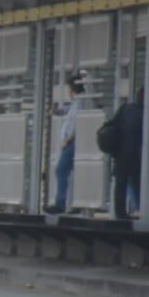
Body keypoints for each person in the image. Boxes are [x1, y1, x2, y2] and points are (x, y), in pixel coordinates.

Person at [46, 69, 87, 214]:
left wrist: (67, 140)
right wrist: (57, 111)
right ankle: (75, 204)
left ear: (72, 89)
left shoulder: (81, 103)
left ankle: (60, 204)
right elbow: (67, 110)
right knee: (71, 172)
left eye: (69, 88)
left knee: (61, 170)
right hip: (71, 143)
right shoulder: (77, 103)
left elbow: (78, 125)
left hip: (72, 143)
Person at [109, 87, 145, 220]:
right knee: (138, 182)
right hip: (137, 153)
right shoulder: (146, 112)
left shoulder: (125, 108)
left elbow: (113, 126)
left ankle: (120, 213)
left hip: (121, 152)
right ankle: (142, 209)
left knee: (121, 183)